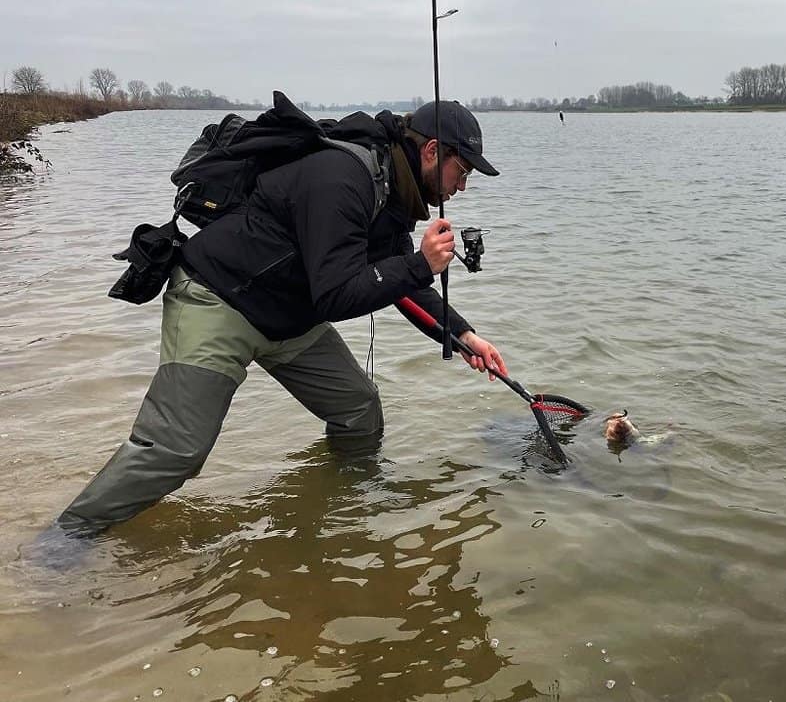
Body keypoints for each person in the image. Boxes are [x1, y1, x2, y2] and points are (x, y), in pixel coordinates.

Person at [56, 100, 507, 536]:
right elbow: (337, 295)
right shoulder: (344, 177)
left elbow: (402, 285)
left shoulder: (392, 192)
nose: (461, 187)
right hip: (219, 300)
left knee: (358, 409)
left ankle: (345, 503)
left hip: (287, 317)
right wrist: (419, 264)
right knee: (176, 451)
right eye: (461, 171)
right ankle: (68, 538)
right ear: (432, 151)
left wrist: (465, 335)